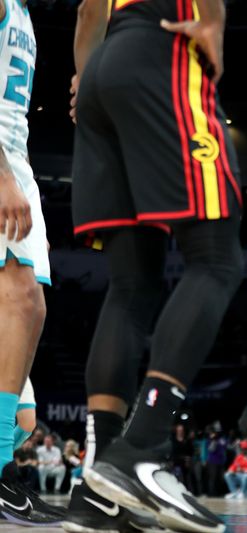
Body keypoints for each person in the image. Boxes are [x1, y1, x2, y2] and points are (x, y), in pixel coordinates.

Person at [63, 1, 241, 532]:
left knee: (132, 285)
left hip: (104, 62)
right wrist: (213, 22)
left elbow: (87, 10)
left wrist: (89, 74)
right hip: (162, 49)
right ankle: (140, 448)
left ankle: (101, 493)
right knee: (217, 259)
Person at [0, 0, 66, 524]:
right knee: (24, 302)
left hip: (15, 157)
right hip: (1, 162)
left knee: (26, 417)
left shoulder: (23, 12)